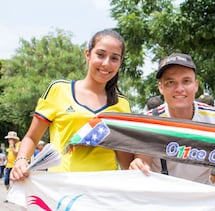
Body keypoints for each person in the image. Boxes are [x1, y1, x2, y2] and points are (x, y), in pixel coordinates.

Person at [10, 29, 133, 181]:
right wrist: (21, 160)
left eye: (114, 58)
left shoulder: (123, 105)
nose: (106, 63)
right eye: (100, 55)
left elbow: (125, 160)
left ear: (120, 63)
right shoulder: (59, 90)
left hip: (104, 193)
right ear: (88, 54)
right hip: (61, 191)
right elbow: (32, 137)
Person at [129, 53, 215, 186]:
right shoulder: (149, 122)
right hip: (162, 198)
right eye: (171, 82)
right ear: (161, 87)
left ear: (196, 85)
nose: (179, 89)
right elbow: (144, 162)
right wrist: (139, 167)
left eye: (186, 81)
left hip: (202, 197)